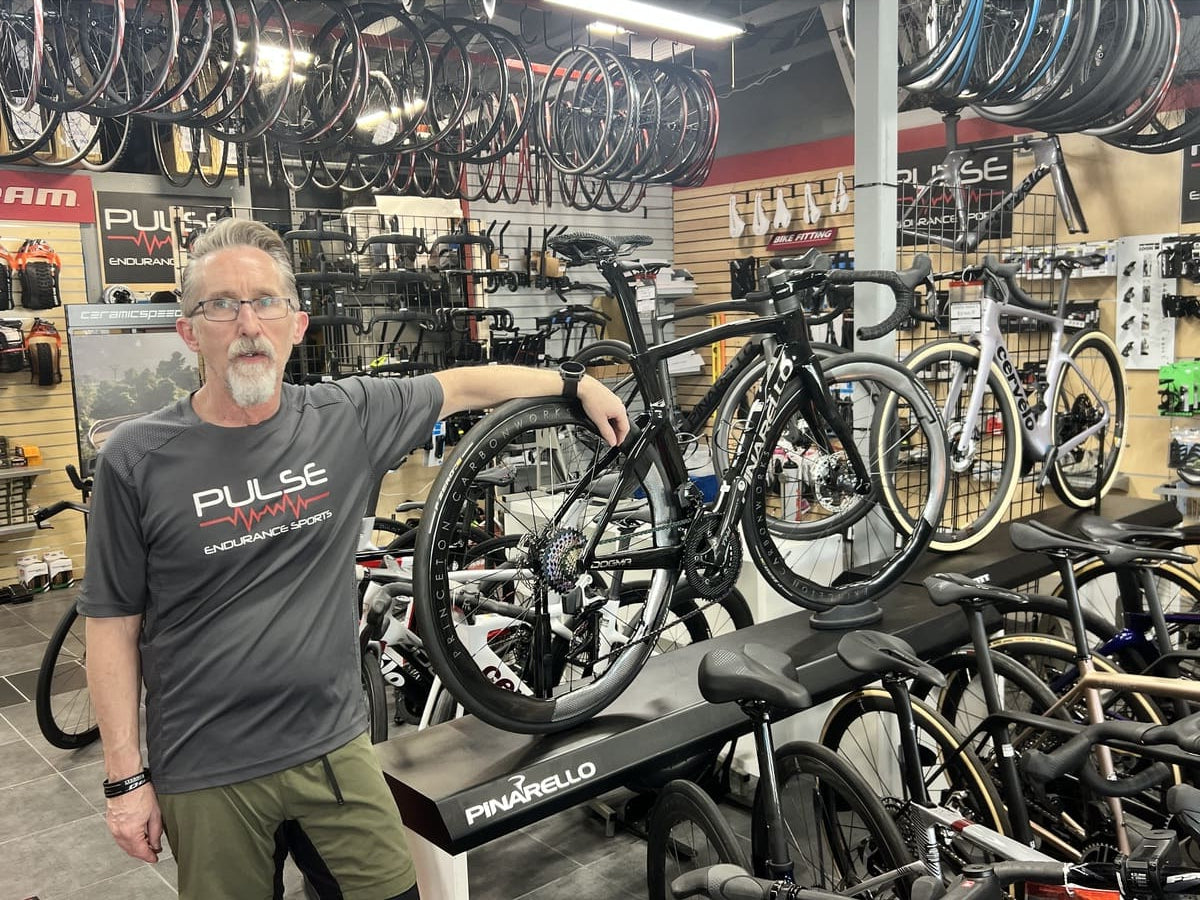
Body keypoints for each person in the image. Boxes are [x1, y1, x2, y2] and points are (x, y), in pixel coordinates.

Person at [79, 217, 629, 900]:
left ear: (297, 323)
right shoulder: (137, 458)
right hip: (207, 768)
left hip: (334, 750)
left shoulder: (344, 416)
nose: (247, 324)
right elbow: (111, 625)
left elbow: (463, 384)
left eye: (265, 302)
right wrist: (125, 779)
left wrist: (575, 386)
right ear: (189, 331)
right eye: (220, 305)